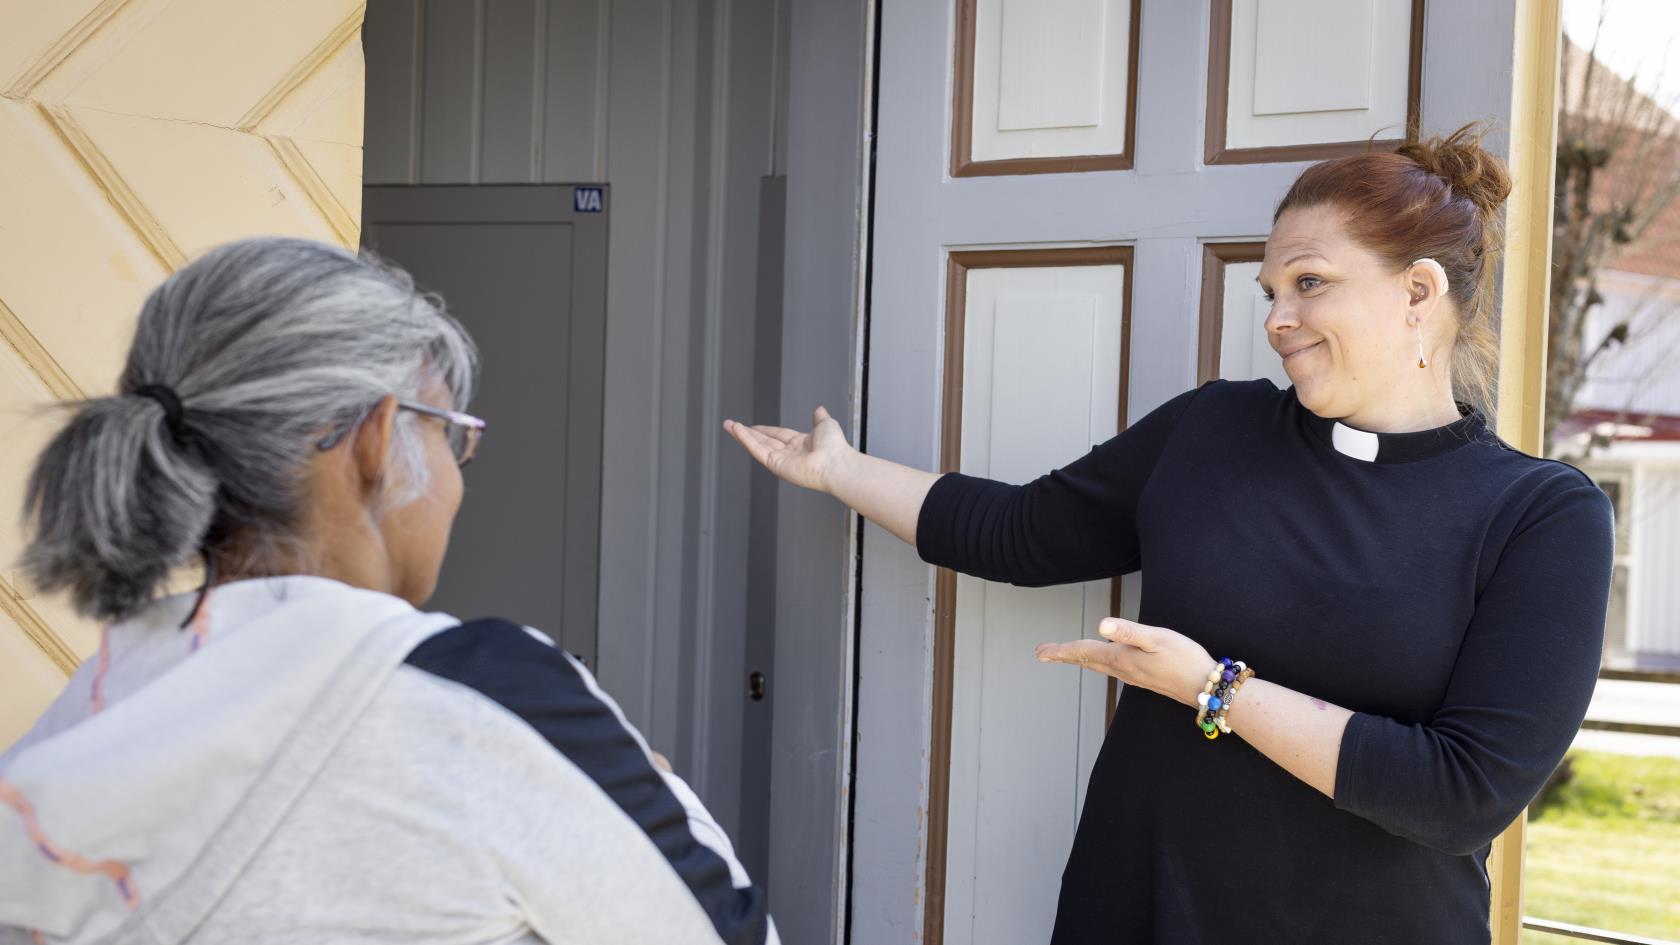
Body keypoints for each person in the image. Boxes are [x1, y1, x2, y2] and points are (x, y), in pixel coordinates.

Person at [725, 125, 1612, 944]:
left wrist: (1212, 689)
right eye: (1271, 291)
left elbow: (1460, 795)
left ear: (1419, 290)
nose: (1277, 319)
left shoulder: (1540, 515)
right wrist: (839, 469)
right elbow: (1023, 530)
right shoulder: (1214, 429)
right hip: (1142, 911)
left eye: (1310, 283)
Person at [0, 238, 776, 945]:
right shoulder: (489, 696)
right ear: (375, 438)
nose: (454, 476)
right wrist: (657, 785)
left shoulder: (95, 706)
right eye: (450, 433)